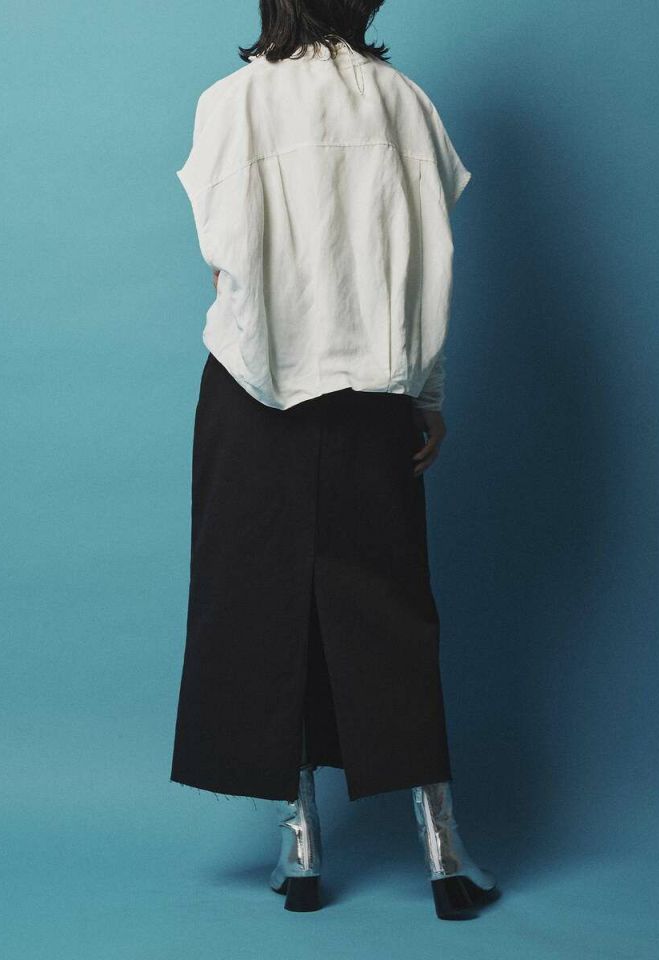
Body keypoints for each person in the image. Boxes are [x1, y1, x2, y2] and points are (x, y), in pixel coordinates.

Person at [170, 0, 500, 920]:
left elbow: (223, 266)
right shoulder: (405, 101)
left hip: (252, 391)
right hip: (374, 394)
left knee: (262, 604)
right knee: (392, 609)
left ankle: (301, 846)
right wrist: (426, 395)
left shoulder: (229, 102)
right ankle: (444, 851)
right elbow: (431, 264)